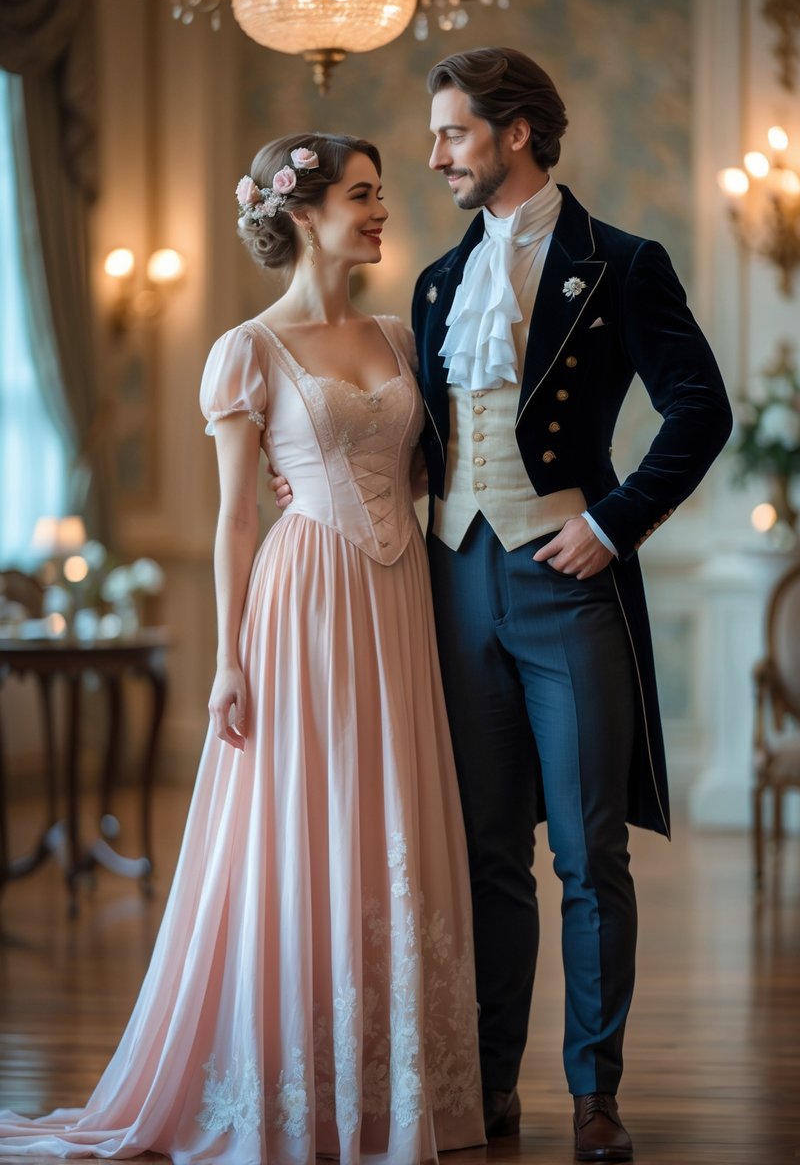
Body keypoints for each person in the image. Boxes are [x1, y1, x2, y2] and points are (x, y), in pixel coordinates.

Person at [0, 133, 484, 1164]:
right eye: (362, 196)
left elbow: (439, 470)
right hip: (302, 596)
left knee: (387, 812)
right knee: (306, 822)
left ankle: (386, 1087)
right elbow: (229, 521)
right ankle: (291, 1087)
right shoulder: (246, 350)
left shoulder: (403, 337)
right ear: (303, 213)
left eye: (380, 195)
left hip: (399, 600)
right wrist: (229, 658)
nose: (381, 211)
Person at [411, 48, 733, 1162]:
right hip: (454, 582)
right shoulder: (437, 285)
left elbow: (700, 410)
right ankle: (491, 1087)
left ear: (513, 133)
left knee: (590, 855)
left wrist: (611, 522)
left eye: (452, 132)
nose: (436, 153)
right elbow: (422, 442)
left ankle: (593, 1096)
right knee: (487, 853)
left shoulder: (623, 265)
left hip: (565, 582)